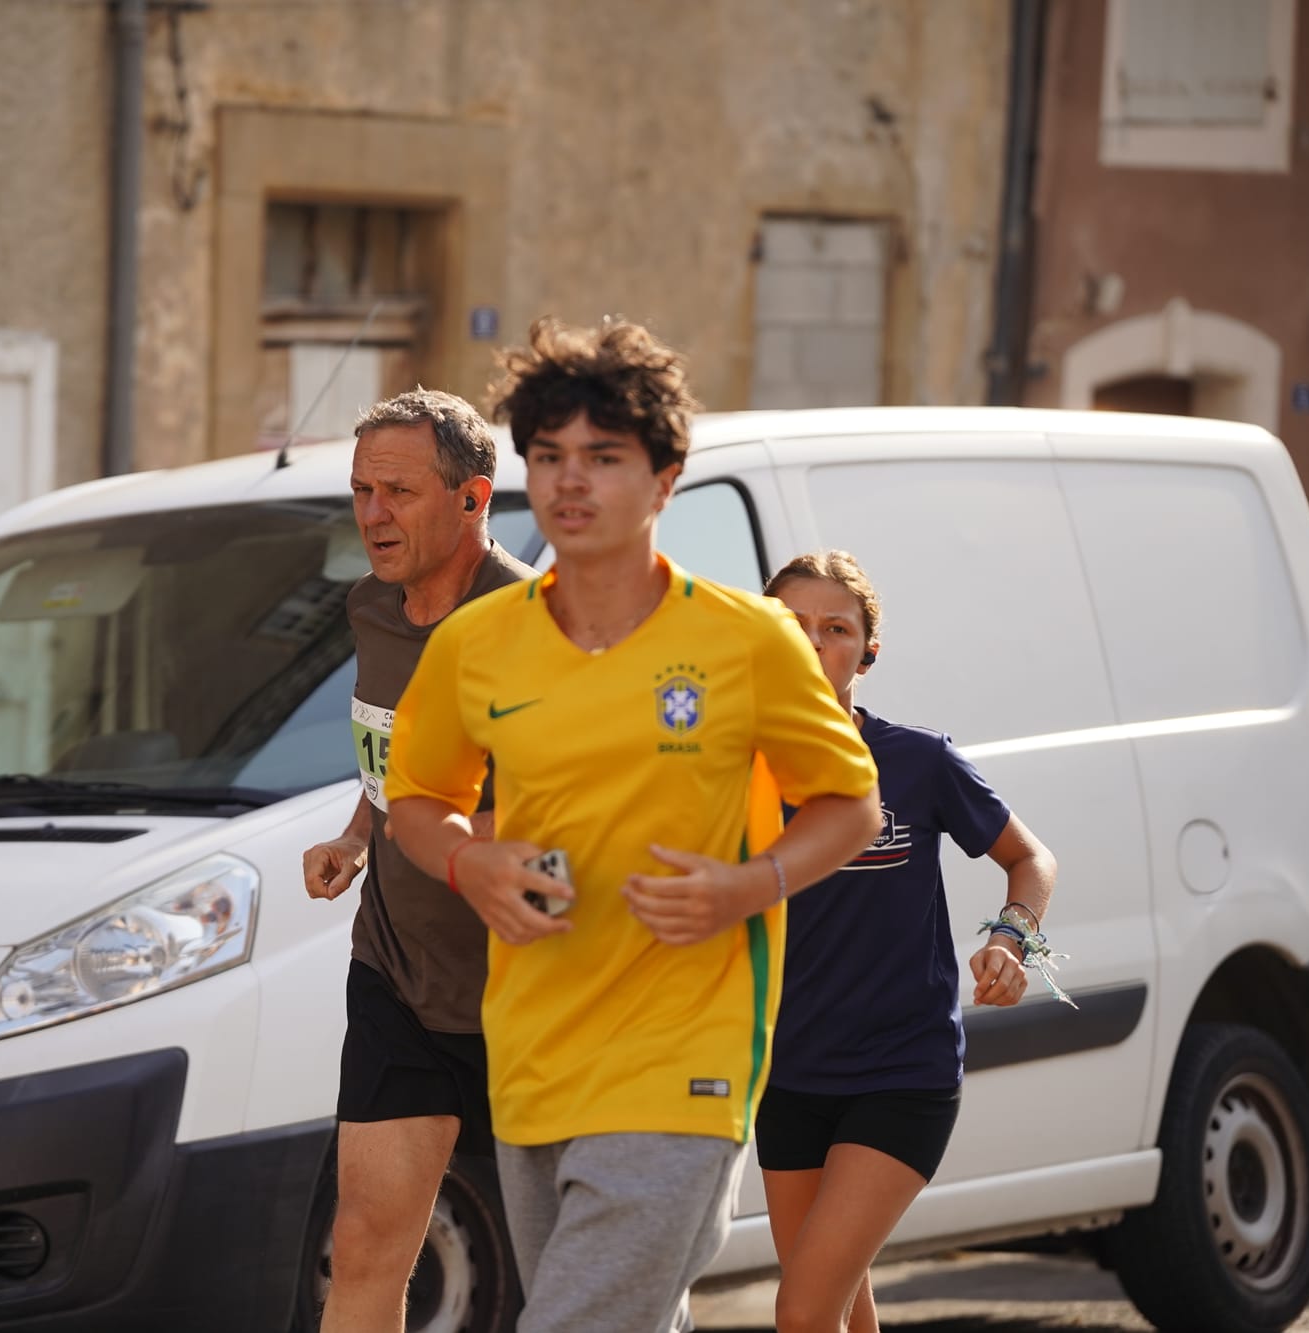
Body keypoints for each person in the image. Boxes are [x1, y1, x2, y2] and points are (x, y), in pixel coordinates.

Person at [382, 317, 883, 1333]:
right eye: (549, 456)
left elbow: (850, 804)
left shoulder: (748, 639)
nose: (570, 481)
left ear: (664, 479)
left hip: (684, 1060)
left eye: (603, 457)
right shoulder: (477, 644)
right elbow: (416, 802)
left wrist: (747, 886)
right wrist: (472, 865)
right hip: (534, 1051)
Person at [755, 549, 1059, 1333]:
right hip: (785, 1073)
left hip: (901, 1071)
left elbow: (1031, 859)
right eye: (793, 624)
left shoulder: (918, 761)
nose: (814, 641)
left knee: (802, 1310)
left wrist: (1011, 940)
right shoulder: (732, 769)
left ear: (867, 653)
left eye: (836, 628)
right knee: (836, 1309)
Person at [299, 389, 535, 1333]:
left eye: (397, 491)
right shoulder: (371, 607)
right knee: (363, 1243)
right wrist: (359, 835)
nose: (372, 513)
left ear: (473, 497)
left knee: (569, 1275)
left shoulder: (533, 625)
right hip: (397, 973)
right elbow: (397, 755)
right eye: (361, 490)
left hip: (530, 990)